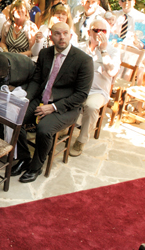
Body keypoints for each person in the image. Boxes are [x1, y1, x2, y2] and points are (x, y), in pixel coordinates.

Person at [11, 22, 93, 183]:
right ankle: (24, 158)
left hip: (66, 106)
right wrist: (26, 99)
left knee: (44, 129)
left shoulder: (84, 60)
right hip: (41, 99)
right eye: (57, 33)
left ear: (70, 35)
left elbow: (81, 95)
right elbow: (36, 80)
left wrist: (54, 107)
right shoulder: (45, 53)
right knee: (15, 117)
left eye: (65, 33)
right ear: (51, 36)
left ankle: (36, 166)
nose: (61, 37)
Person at [70, 18, 120, 157]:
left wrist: (103, 51)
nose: (99, 33)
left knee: (91, 107)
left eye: (103, 31)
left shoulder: (113, 51)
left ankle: (81, 140)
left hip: (98, 91)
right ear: (89, 32)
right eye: (96, 30)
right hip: (78, 87)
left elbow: (111, 72)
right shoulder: (80, 47)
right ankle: (63, 127)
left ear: (108, 33)